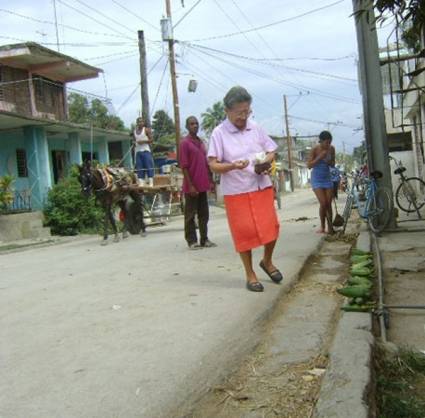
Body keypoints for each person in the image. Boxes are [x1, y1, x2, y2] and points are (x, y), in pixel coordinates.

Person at [208, 86, 282, 292]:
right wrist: (232, 165)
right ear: (227, 111)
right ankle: (250, 274)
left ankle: (267, 261)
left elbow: (271, 151)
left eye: (247, 111)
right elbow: (213, 164)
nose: (243, 116)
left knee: (272, 227)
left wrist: (264, 162)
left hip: (260, 185)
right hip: (236, 190)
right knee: (244, 234)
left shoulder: (255, 127)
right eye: (239, 112)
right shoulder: (218, 133)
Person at [179, 116, 217, 250]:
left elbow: (207, 164)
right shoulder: (185, 143)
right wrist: (190, 185)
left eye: (196, 123)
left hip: (202, 185)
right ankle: (191, 241)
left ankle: (204, 239)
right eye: (191, 124)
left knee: (204, 214)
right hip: (192, 186)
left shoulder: (201, 143)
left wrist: (210, 181)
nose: (195, 126)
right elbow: (184, 166)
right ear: (187, 126)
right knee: (190, 215)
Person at [307, 130, 335, 234]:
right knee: (323, 203)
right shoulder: (315, 149)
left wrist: (329, 161)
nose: (328, 145)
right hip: (317, 179)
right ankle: (322, 226)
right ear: (321, 141)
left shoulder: (332, 149)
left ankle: (330, 227)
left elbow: (333, 164)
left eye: (330, 142)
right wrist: (320, 157)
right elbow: (309, 165)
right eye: (326, 142)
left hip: (327, 177)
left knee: (328, 203)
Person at [132, 117, 154, 187]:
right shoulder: (134, 131)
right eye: (139, 122)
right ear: (137, 123)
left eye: (141, 122)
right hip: (138, 152)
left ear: (143, 123)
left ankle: (151, 182)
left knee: (148, 166)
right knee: (139, 167)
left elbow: (151, 140)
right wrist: (134, 143)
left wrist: (143, 141)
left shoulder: (146, 130)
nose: (140, 123)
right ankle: (141, 182)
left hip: (146, 151)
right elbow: (134, 140)